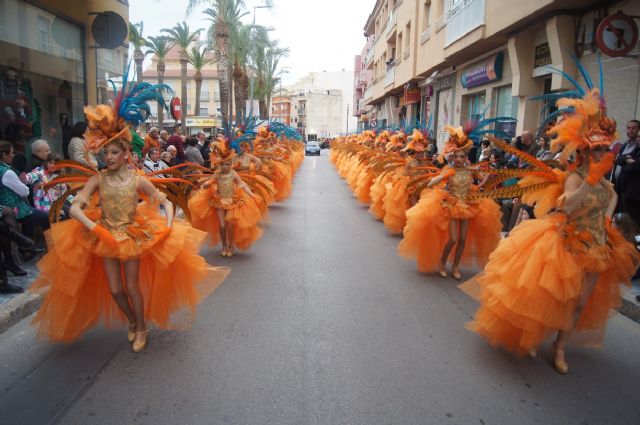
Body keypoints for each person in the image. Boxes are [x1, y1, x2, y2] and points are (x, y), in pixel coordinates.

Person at [30, 82, 230, 350]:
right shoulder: (99, 179)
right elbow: (76, 207)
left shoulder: (137, 180)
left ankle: (142, 326)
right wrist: (93, 226)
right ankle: (133, 321)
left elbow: (165, 201)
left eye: (114, 152)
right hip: (104, 235)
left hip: (134, 236)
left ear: (126, 154)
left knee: (132, 287)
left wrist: (169, 225)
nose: (108, 157)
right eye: (105, 153)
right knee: (115, 289)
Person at [462, 83, 640, 374]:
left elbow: (609, 210)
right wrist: (591, 180)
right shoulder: (574, 179)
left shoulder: (609, 188)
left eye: (606, 150)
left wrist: (606, 223)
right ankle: (542, 338)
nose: (602, 155)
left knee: (580, 304)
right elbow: (568, 207)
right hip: (565, 244)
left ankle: (560, 345)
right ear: (584, 151)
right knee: (555, 298)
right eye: (597, 150)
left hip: (596, 248)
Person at [398, 126, 502, 280]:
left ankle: (455, 267)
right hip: (452, 204)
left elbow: (483, 179)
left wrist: (491, 172)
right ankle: (442, 263)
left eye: (461, 156)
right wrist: (442, 176)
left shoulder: (471, 169)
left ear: (466, 156)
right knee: (453, 239)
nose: (458, 159)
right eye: (456, 156)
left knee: (462, 240)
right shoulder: (449, 169)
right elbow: (431, 184)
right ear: (452, 157)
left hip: (468, 204)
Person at [188, 138, 262, 257]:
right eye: (222, 165)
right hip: (219, 200)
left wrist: (251, 194)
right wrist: (207, 184)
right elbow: (211, 180)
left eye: (227, 164)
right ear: (220, 164)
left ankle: (230, 245)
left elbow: (242, 184)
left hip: (233, 200)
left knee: (231, 224)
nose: (225, 167)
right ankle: (224, 245)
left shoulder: (233, 173)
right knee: (222, 225)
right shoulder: (217, 173)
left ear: (231, 165)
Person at [0, 141, 50, 242]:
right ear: (4, 155)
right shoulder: (7, 172)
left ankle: (28, 246)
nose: (13, 155)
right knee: (47, 217)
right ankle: (50, 245)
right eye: (12, 153)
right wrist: (22, 182)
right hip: (16, 208)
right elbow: (25, 192)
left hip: (5, 206)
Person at [613, 120, 640, 225]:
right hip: (619, 186)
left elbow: (633, 167)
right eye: (628, 128)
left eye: (634, 128)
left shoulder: (637, 147)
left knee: (629, 219)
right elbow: (618, 160)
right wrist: (625, 160)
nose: (630, 130)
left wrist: (625, 162)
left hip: (631, 190)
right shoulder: (625, 144)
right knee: (619, 216)